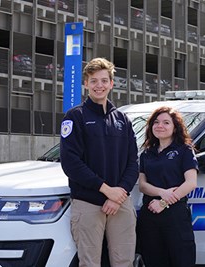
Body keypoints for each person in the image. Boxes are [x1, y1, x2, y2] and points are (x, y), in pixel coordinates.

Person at [60, 58, 139, 267]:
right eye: (93, 81)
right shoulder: (75, 117)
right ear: (86, 83)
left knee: (124, 261)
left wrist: (118, 194)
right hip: (87, 203)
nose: (99, 86)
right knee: (89, 263)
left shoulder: (123, 120)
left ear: (111, 84)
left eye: (104, 81)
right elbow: (70, 163)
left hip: (120, 203)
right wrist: (106, 190)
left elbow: (133, 162)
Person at [137, 106, 198, 267]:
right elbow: (142, 185)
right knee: (153, 261)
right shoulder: (146, 153)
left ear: (175, 127)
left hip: (175, 214)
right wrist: (162, 193)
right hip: (149, 214)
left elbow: (191, 183)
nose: (160, 126)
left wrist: (164, 202)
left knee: (181, 260)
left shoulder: (184, 150)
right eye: (156, 122)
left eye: (166, 122)